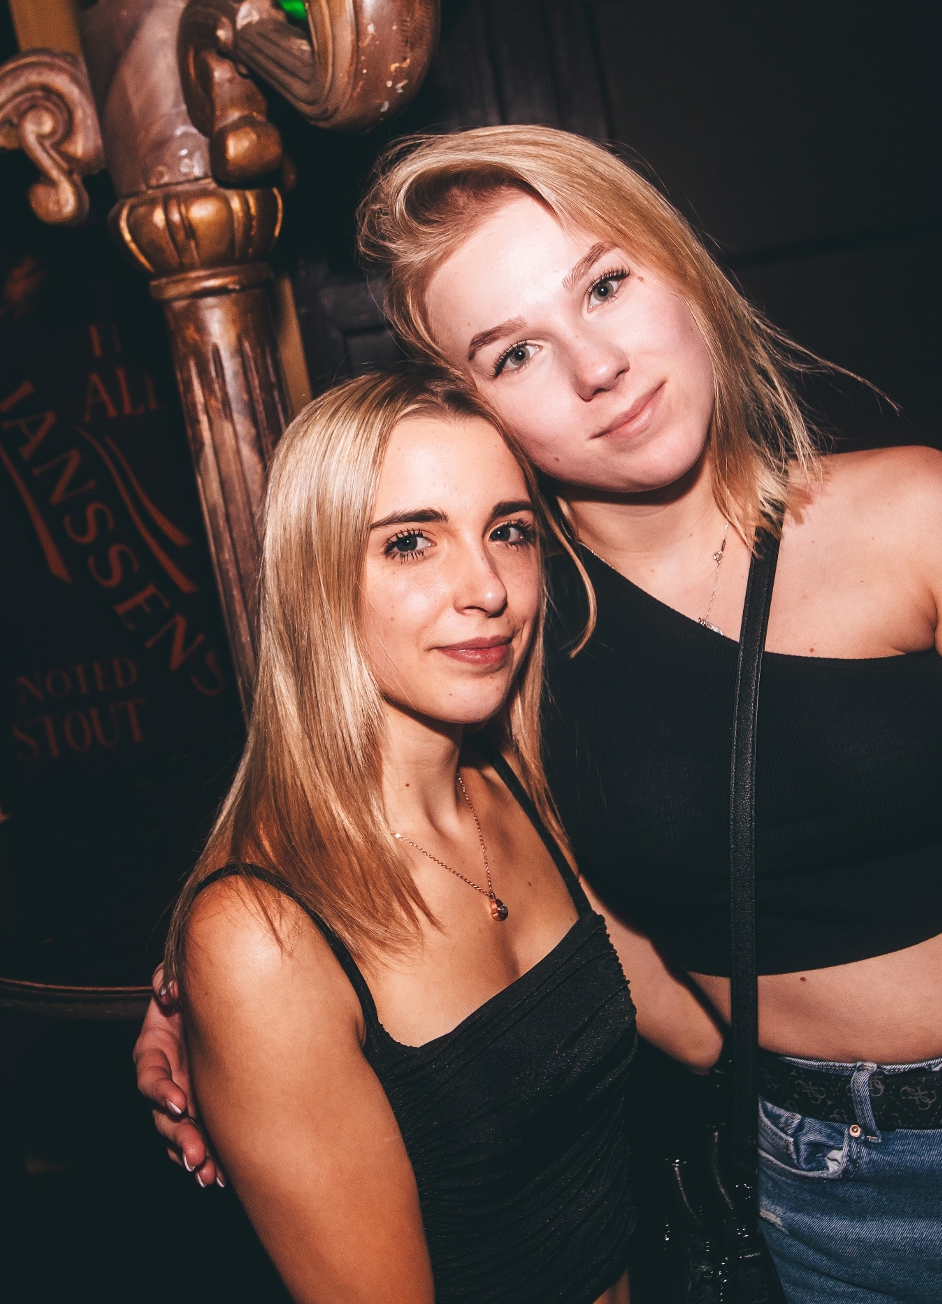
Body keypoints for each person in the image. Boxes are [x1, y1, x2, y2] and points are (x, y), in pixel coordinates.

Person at [138, 126, 942, 1303]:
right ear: (474, 407)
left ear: (676, 264)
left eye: (604, 285)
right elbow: (346, 774)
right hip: (842, 1203)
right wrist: (204, 996)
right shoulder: (513, 638)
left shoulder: (915, 518)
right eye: (517, 351)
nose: (596, 367)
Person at [159, 365, 636, 1304]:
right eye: (411, 542)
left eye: (508, 530)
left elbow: (701, 1030)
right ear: (315, 578)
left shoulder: (521, 788)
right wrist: (220, 1006)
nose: (487, 587)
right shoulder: (265, 938)